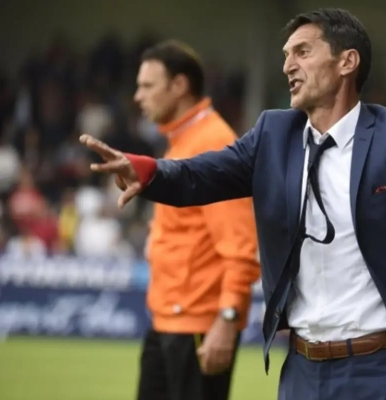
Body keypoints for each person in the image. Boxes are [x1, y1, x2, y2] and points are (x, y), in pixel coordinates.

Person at [81, 9, 386, 400]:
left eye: (303, 52)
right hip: (300, 370)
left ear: (347, 62)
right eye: (287, 54)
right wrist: (146, 170)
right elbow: (199, 176)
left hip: (379, 367)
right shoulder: (274, 134)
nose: (288, 64)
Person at [127, 40, 261, 400]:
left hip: (198, 325)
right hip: (169, 319)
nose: (138, 96)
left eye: (147, 86)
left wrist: (228, 319)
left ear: (179, 85)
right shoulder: (183, 140)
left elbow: (241, 245)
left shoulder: (212, 142)